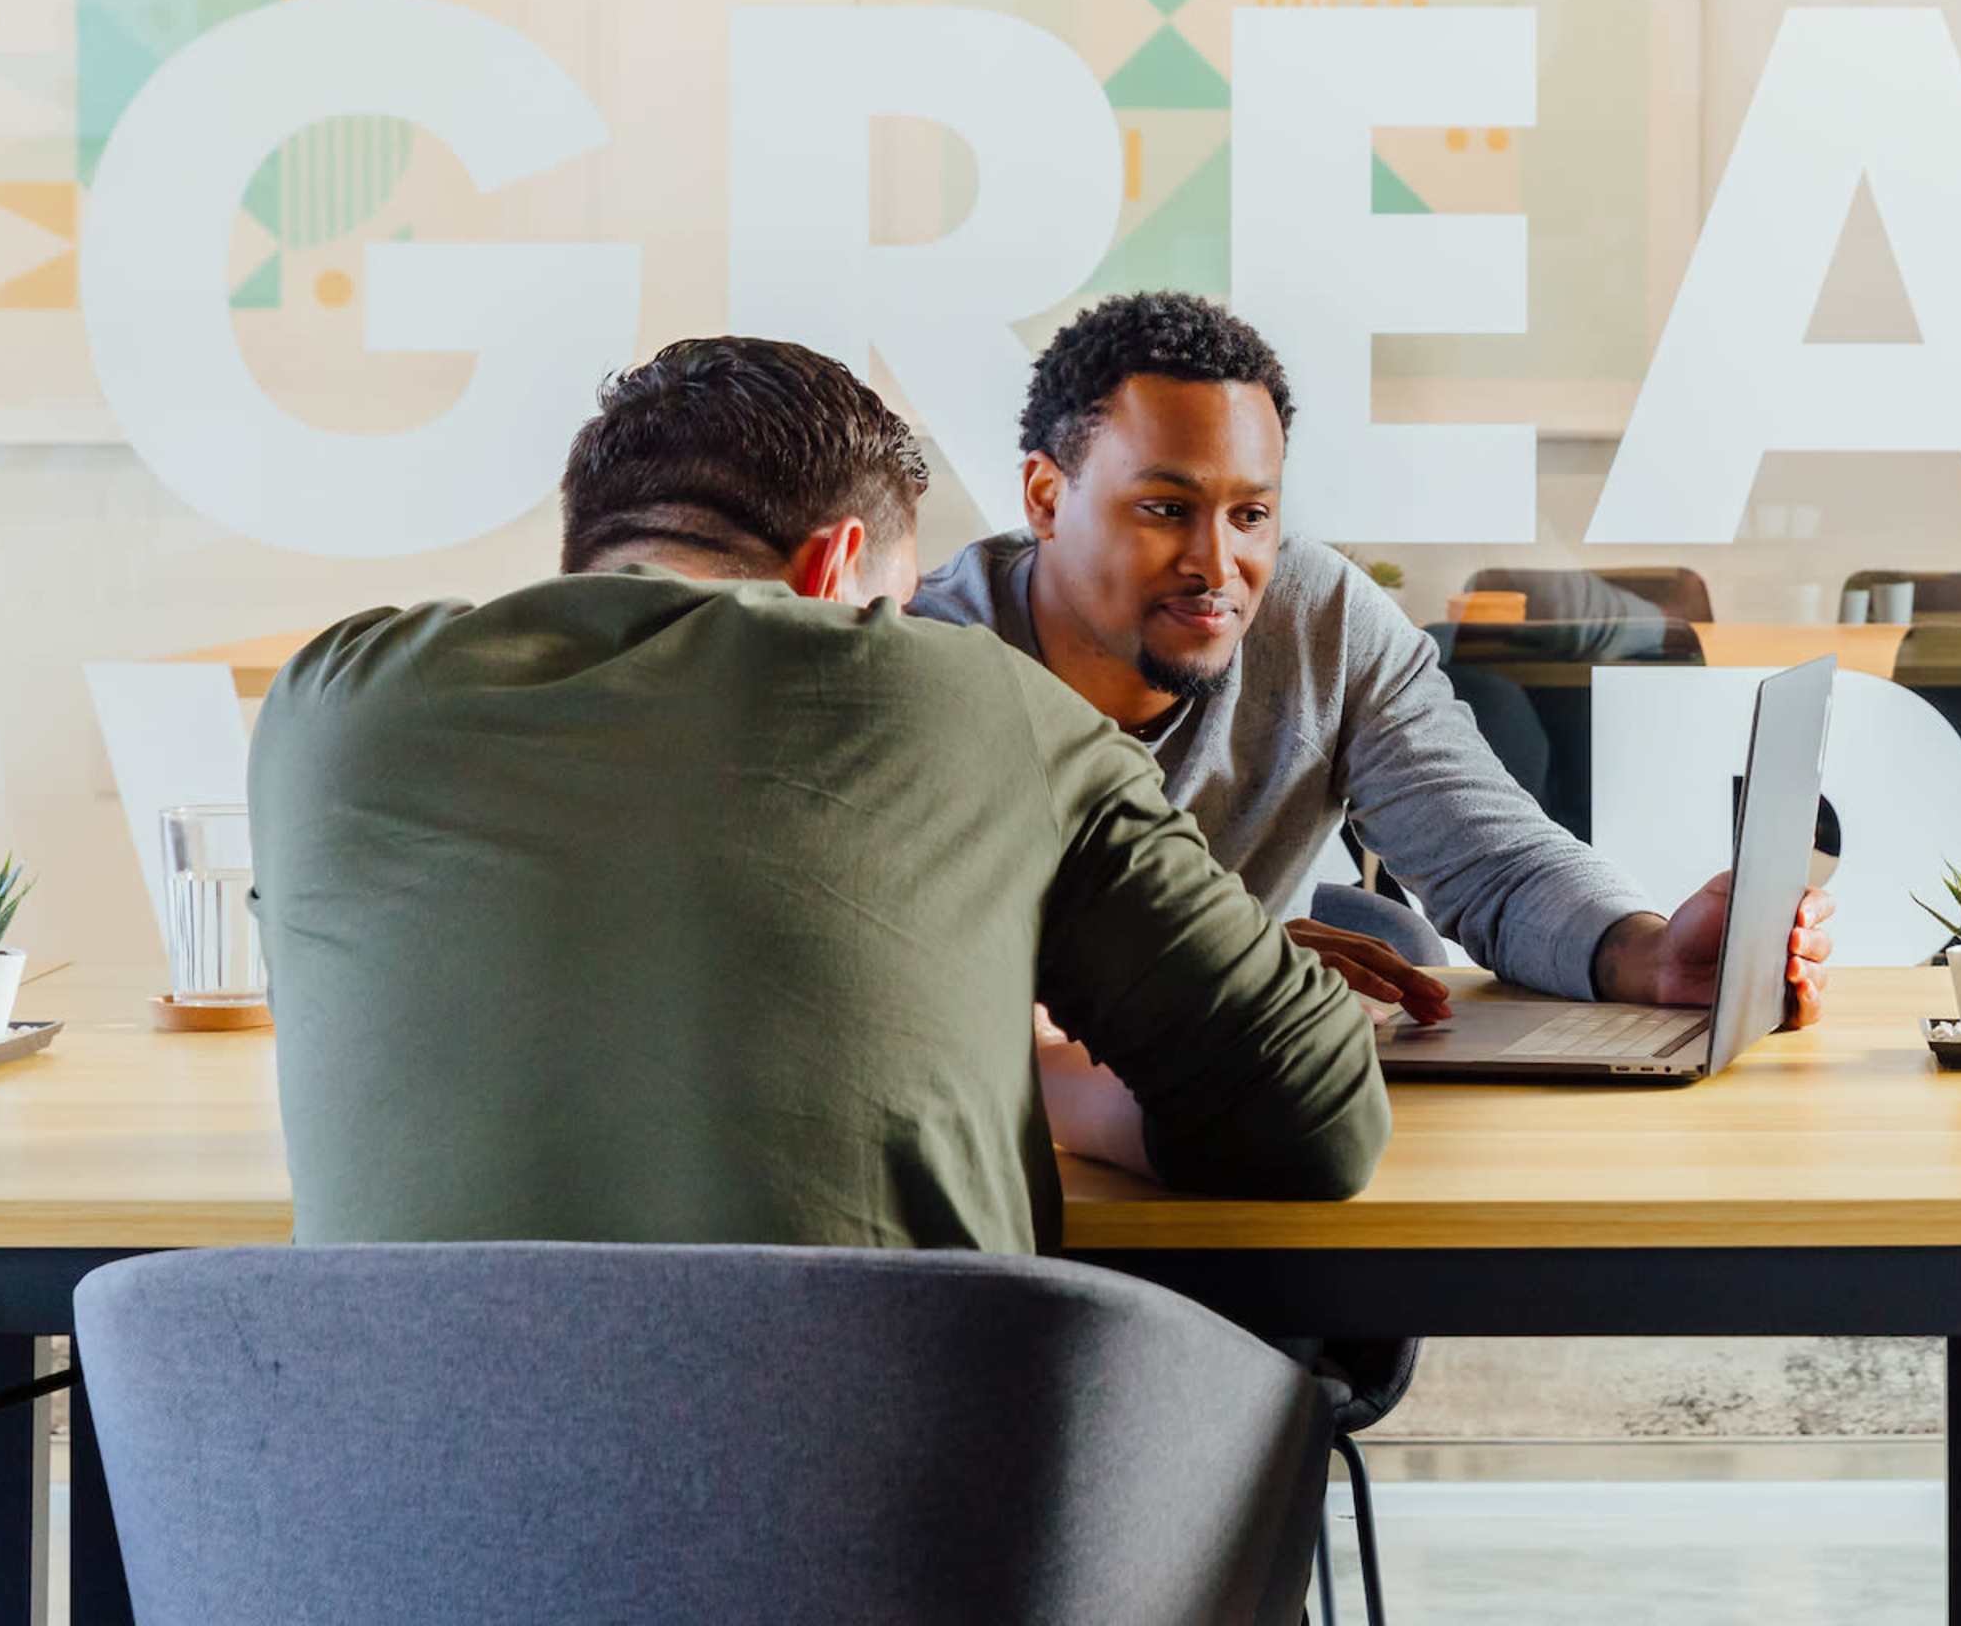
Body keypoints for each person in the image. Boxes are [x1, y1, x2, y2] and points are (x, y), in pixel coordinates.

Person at [249, 336, 1388, 1253]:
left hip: (397, 1467)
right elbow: (1318, 1116)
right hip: (880, 1469)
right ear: (833, 568)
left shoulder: (327, 705)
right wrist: (1044, 1078)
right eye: (895, 610)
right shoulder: (991, 706)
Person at [914, 293, 1834, 1021]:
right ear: (1045, 497)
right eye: (1165, 509)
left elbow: (1494, 861)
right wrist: (1204, 962)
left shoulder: (1321, 621)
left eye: (1251, 514)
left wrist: (1649, 953)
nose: (1217, 565)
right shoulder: (921, 665)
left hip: (1253, 1120)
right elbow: (902, 969)